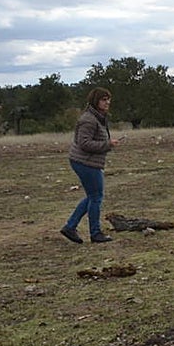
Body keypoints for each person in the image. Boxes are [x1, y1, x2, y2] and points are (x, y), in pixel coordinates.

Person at [61, 87, 120, 244]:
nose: (107, 102)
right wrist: (107, 144)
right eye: (103, 99)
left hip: (88, 161)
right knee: (96, 197)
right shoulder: (88, 119)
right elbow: (84, 143)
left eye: (108, 99)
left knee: (93, 196)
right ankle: (95, 233)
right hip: (84, 162)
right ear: (95, 101)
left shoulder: (98, 117)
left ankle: (70, 227)